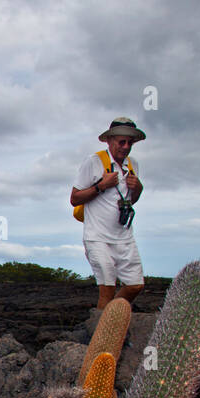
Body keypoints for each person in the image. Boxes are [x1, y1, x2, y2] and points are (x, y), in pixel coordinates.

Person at [70, 116, 146, 309]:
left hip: (125, 237)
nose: (126, 146)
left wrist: (138, 188)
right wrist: (101, 186)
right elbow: (75, 199)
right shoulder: (94, 162)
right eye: (122, 142)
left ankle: (111, 320)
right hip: (98, 237)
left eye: (130, 142)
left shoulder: (132, 165)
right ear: (109, 141)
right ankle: (102, 335)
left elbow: (131, 200)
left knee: (135, 285)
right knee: (107, 288)